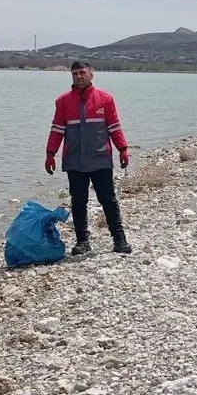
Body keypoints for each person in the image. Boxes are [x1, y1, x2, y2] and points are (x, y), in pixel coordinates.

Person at [44, 61, 133, 256]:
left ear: (91, 74)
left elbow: (114, 126)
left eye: (82, 73)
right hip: (74, 160)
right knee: (78, 201)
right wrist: (50, 153)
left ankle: (119, 240)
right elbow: (57, 129)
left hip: (100, 158)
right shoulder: (63, 101)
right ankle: (82, 241)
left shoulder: (105, 99)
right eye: (75, 73)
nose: (79, 76)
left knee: (108, 200)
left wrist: (122, 149)